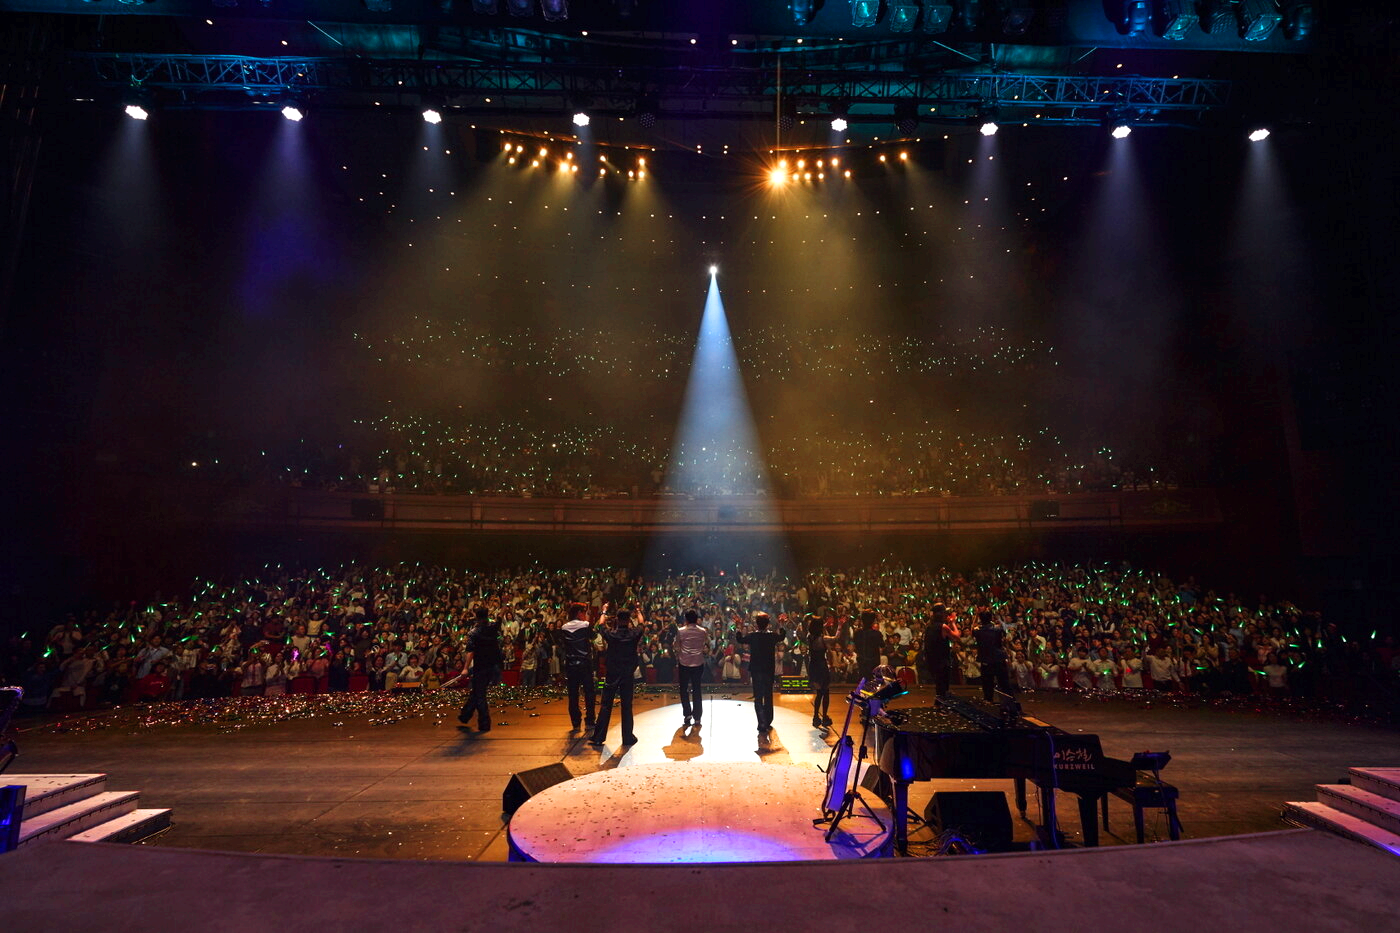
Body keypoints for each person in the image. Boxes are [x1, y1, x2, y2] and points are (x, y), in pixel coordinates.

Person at [590, 608, 642, 747]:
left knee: (606, 705)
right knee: (626, 706)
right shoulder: (634, 634)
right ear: (628, 619)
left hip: (612, 673)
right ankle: (627, 738)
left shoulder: (611, 634)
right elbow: (642, 624)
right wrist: (638, 611)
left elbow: (600, 625)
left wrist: (603, 611)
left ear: (617, 620)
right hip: (627, 674)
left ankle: (599, 737)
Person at [734, 611, 785, 734]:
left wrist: (739, 626)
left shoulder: (753, 636)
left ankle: (761, 722)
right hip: (768, 669)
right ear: (768, 624)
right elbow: (782, 636)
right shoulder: (772, 636)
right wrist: (781, 624)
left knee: (758, 697)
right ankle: (768, 721)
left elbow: (740, 639)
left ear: (757, 624)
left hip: (756, 669)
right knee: (768, 695)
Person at [458, 608, 503, 732]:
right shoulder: (493, 627)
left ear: (476, 617)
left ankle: (484, 724)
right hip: (494, 666)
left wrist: (465, 668)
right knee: (477, 692)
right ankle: (465, 715)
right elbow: (499, 619)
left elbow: (470, 651)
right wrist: (502, 610)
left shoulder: (474, 633)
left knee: (480, 695)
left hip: (481, 666)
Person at [556, 603, 596, 731]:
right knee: (589, 693)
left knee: (573, 695)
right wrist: (588, 621)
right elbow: (593, 636)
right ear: (579, 613)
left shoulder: (564, 627)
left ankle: (575, 722)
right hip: (584, 664)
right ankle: (590, 720)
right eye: (583, 612)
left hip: (571, 665)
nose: (584, 614)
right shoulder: (585, 624)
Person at [673, 609, 708, 726]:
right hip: (698, 663)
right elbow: (703, 645)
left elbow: (676, 646)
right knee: (697, 689)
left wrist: (679, 654)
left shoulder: (681, 631)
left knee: (683, 689)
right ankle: (697, 717)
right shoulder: (703, 631)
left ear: (686, 619)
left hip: (684, 663)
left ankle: (687, 714)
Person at [806, 614, 838, 728]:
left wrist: (824, 625)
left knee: (819, 693)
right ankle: (824, 716)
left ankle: (815, 716)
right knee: (826, 692)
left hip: (813, 666)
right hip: (821, 665)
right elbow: (835, 638)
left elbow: (816, 630)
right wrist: (840, 626)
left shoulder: (809, 636)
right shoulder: (823, 638)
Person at [922, 603, 960, 697]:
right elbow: (956, 637)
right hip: (942, 662)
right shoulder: (943, 626)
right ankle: (940, 706)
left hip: (932, 661)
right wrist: (953, 623)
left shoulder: (929, 627)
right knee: (943, 688)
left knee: (939, 687)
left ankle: (939, 705)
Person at [974, 611, 1011, 701]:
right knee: (1004, 683)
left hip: (986, 659)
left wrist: (975, 616)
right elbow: (1000, 642)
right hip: (998, 657)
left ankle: (988, 701)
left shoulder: (978, 631)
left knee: (987, 685)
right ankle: (1009, 703)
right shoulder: (997, 629)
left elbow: (973, 629)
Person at [852, 611, 883, 682]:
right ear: (873, 621)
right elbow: (882, 645)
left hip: (862, 661)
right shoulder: (877, 634)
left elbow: (855, 644)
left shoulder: (857, 633)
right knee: (873, 682)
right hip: (874, 662)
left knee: (863, 682)